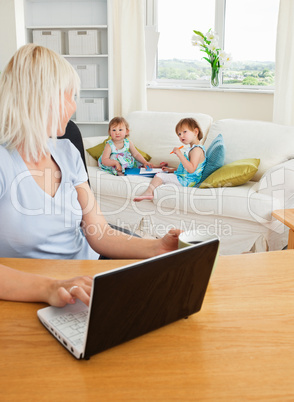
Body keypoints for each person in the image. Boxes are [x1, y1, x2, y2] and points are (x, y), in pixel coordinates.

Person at [0, 44, 181, 306]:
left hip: (85, 275)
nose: (74, 106)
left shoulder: (67, 152)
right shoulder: (5, 162)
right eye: (69, 96)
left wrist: (157, 247)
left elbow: (99, 233)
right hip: (35, 290)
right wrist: (52, 287)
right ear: (43, 97)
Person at [134, 118, 206, 201]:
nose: (181, 136)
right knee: (165, 180)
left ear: (195, 132)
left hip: (187, 181)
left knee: (159, 175)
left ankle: (149, 192)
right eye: (179, 134)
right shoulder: (193, 149)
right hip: (186, 179)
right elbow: (184, 168)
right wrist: (171, 170)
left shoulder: (196, 150)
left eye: (184, 132)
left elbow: (191, 169)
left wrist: (180, 154)